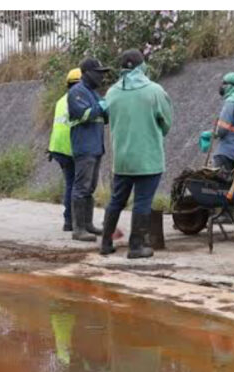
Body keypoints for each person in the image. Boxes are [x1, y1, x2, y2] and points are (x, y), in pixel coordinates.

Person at [100, 50, 173, 259]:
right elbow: (166, 122)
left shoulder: (112, 92)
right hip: (148, 158)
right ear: (142, 67)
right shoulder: (154, 91)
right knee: (142, 202)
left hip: (122, 159)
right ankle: (136, 246)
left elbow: (107, 116)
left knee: (116, 200)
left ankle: (105, 243)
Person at [68, 57, 111, 242]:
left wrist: (105, 109)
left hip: (95, 147)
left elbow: (103, 117)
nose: (101, 77)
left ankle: (88, 225)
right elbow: (84, 114)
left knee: (90, 188)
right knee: (81, 188)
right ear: (86, 73)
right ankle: (78, 229)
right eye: (98, 73)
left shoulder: (93, 93)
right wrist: (100, 107)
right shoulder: (77, 92)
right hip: (84, 147)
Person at [47, 67, 82, 232]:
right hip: (71, 147)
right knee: (76, 185)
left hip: (57, 148)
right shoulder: (79, 98)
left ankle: (68, 221)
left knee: (69, 183)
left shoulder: (61, 100)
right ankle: (73, 220)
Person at [199, 72, 234, 171]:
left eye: (223, 84)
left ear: (229, 85)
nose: (221, 86)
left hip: (226, 152)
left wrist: (209, 134)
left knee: (217, 184)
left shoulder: (231, 102)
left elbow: (222, 130)